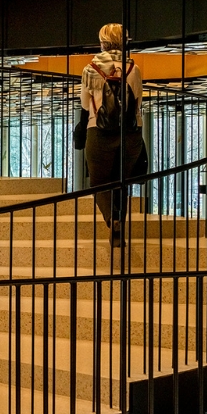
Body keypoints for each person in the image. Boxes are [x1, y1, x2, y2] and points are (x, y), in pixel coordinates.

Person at [78, 23, 146, 246]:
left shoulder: (90, 69)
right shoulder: (133, 68)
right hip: (130, 133)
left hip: (99, 131)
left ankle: (111, 218)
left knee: (99, 183)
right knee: (120, 182)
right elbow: (137, 103)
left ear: (103, 43)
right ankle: (119, 227)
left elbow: (85, 104)